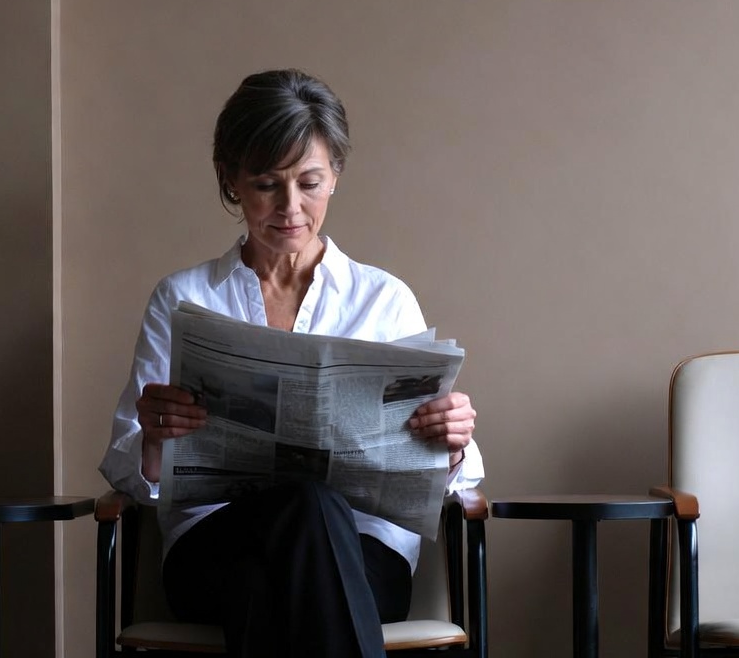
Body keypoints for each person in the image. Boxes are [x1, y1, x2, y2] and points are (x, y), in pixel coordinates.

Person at [99, 68, 483, 658]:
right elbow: (129, 468)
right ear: (231, 181)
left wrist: (451, 442)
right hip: (215, 552)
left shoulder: (383, 300)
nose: (291, 208)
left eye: (310, 182)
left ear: (336, 177)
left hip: (362, 558)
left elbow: (458, 475)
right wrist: (153, 441)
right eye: (265, 184)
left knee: (292, 544)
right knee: (298, 514)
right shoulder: (183, 299)